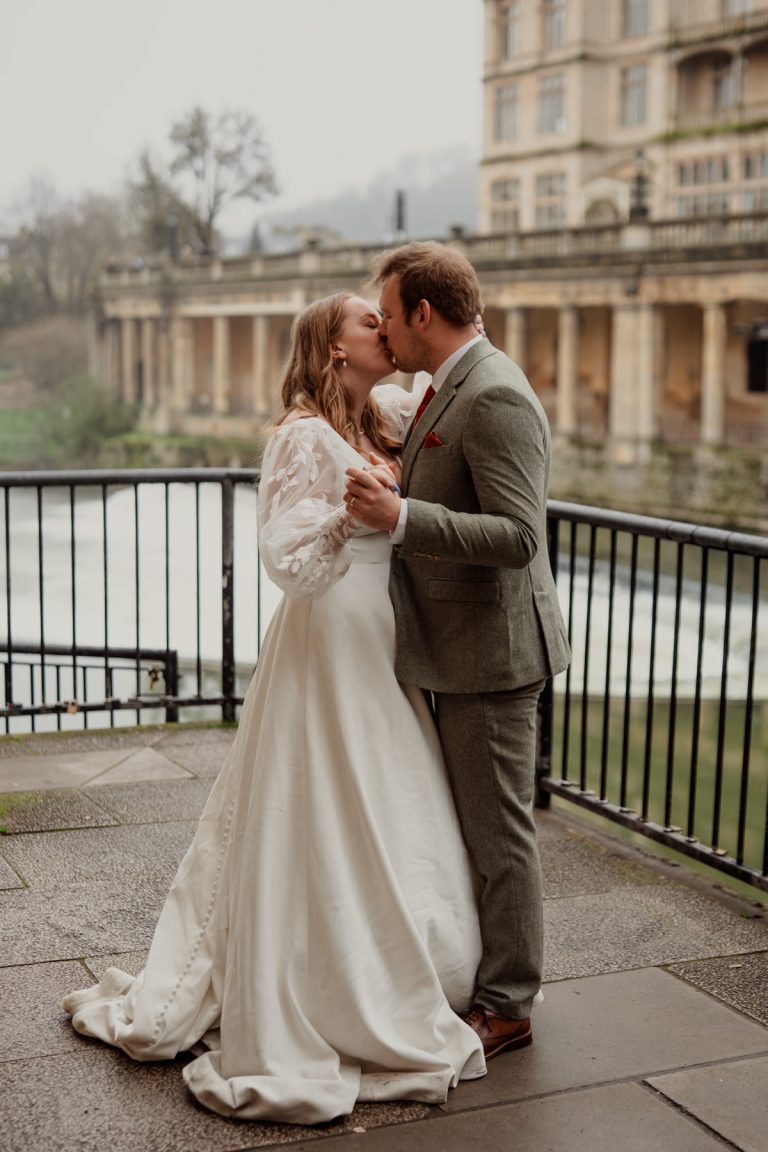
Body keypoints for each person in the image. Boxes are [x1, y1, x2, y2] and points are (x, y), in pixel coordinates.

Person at [61, 292, 486, 1124]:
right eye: (368, 321)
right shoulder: (302, 434)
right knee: (320, 796)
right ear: (334, 347)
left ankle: (410, 960)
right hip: (328, 632)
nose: (384, 329)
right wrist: (347, 516)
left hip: (382, 637)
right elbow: (284, 558)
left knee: (389, 790)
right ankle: (324, 979)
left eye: (387, 317)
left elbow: (453, 360)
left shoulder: (386, 415)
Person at [344, 242, 571, 1060]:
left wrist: (400, 518)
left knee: (500, 835)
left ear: (423, 313)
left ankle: (509, 1007)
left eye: (389, 315)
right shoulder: (447, 384)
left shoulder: (495, 393)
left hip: (493, 655)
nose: (384, 331)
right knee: (478, 828)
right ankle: (488, 981)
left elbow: (518, 537)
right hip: (458, 644)